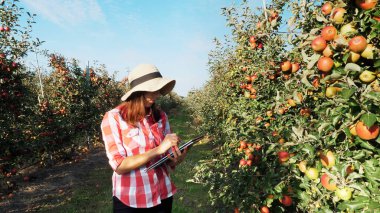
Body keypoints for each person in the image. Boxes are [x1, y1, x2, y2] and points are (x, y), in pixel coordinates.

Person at [101, 64, 187, 212]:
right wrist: (158, 149)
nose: (157, 94)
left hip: (162, 194)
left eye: (158, 90)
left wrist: (177, 157)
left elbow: (168, 157)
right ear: (138, 91)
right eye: (152, 90)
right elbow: (119, 166)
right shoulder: (115, 118)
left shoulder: (160, 116)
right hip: (131, 199)